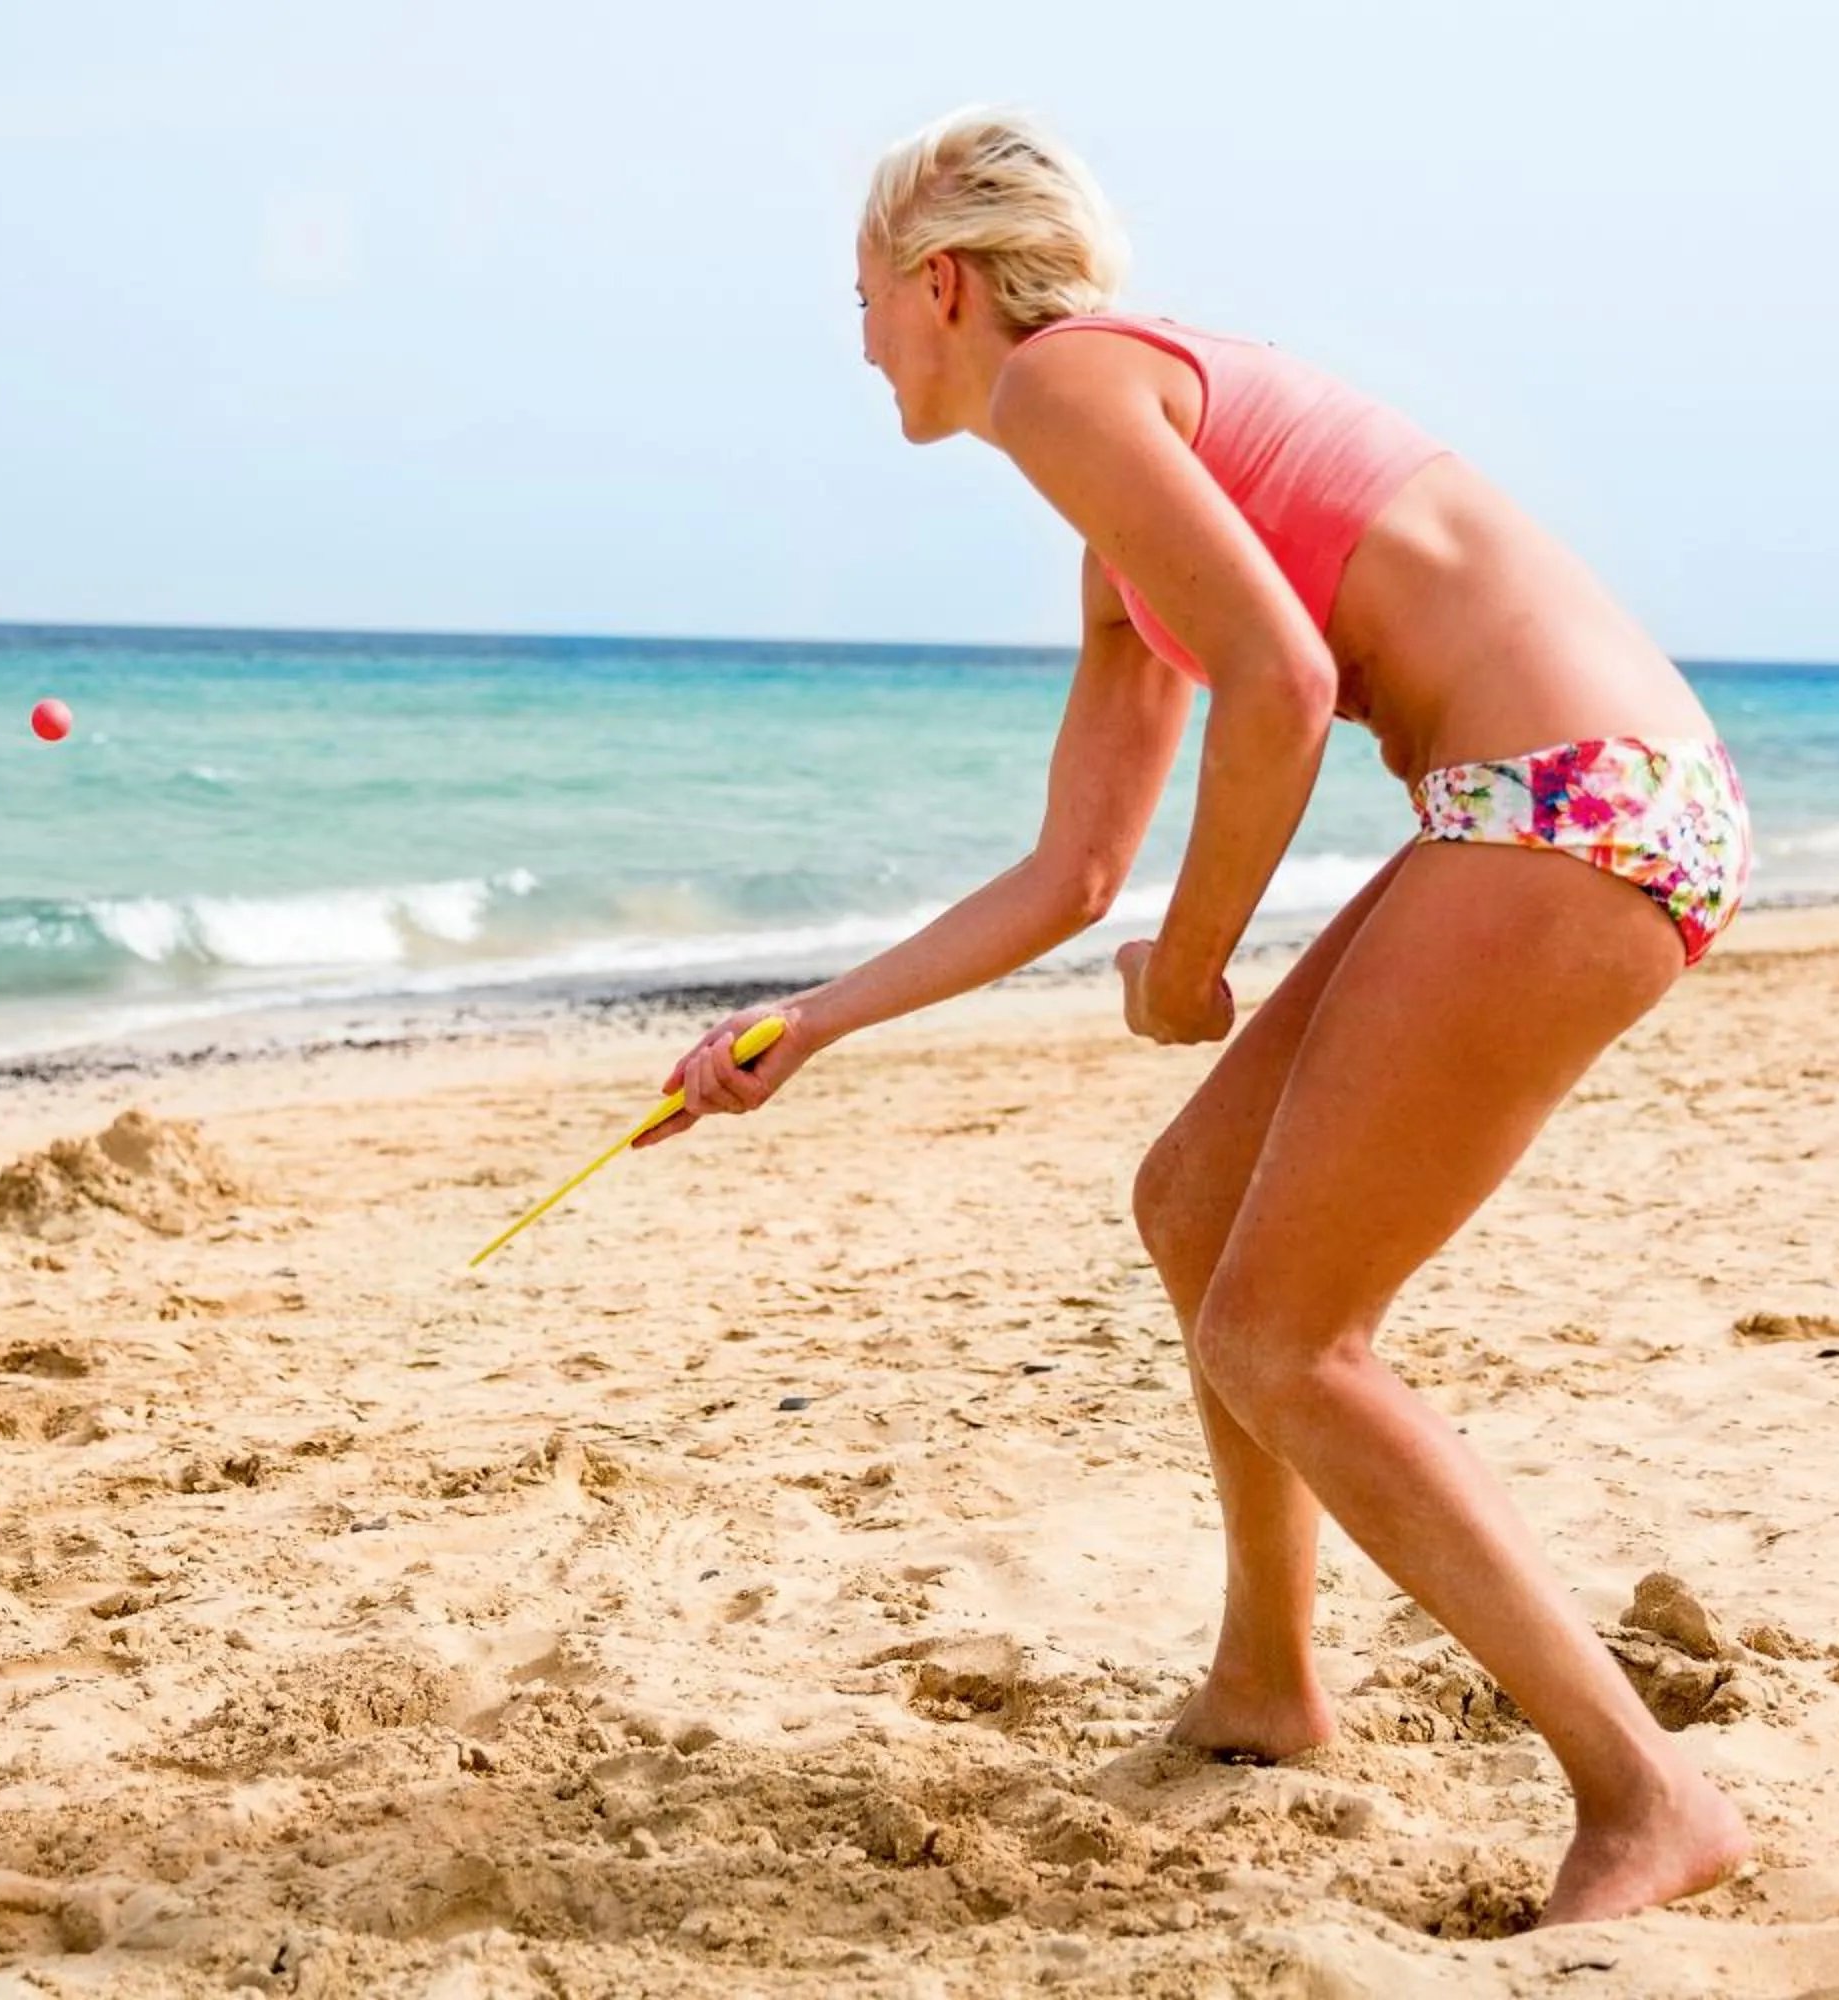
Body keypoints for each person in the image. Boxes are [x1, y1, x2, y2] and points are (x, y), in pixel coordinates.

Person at [645, 108, 1751, 1924]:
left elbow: (1287, 682)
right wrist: (813, 1023)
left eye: (857, 299)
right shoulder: (1119, 492)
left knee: (1287, 1336)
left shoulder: (1069, 383)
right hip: (1553, 804)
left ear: (941, 285)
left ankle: (1648, 1796)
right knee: (1192, 1206)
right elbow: (1073, 871)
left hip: (1577, 806)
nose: (853, 344)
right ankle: (1267, 1682)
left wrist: (1198, 953)